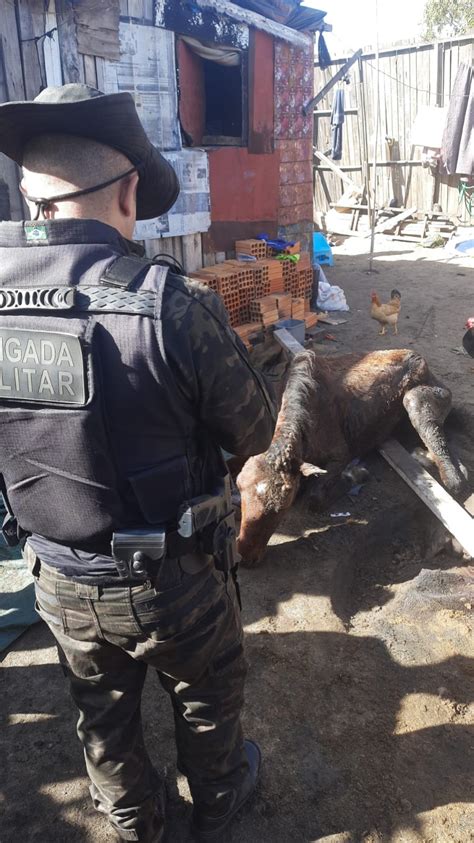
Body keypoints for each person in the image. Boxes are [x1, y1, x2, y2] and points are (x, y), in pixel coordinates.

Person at [0, 84, 276, 842]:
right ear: (127, 191)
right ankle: (218, 806)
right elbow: (255, 428)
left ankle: (133, 823)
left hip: (55, 576)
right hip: (174, 582)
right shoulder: (169, 303)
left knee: (102, 717)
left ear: (32, 195)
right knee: (208, 697)